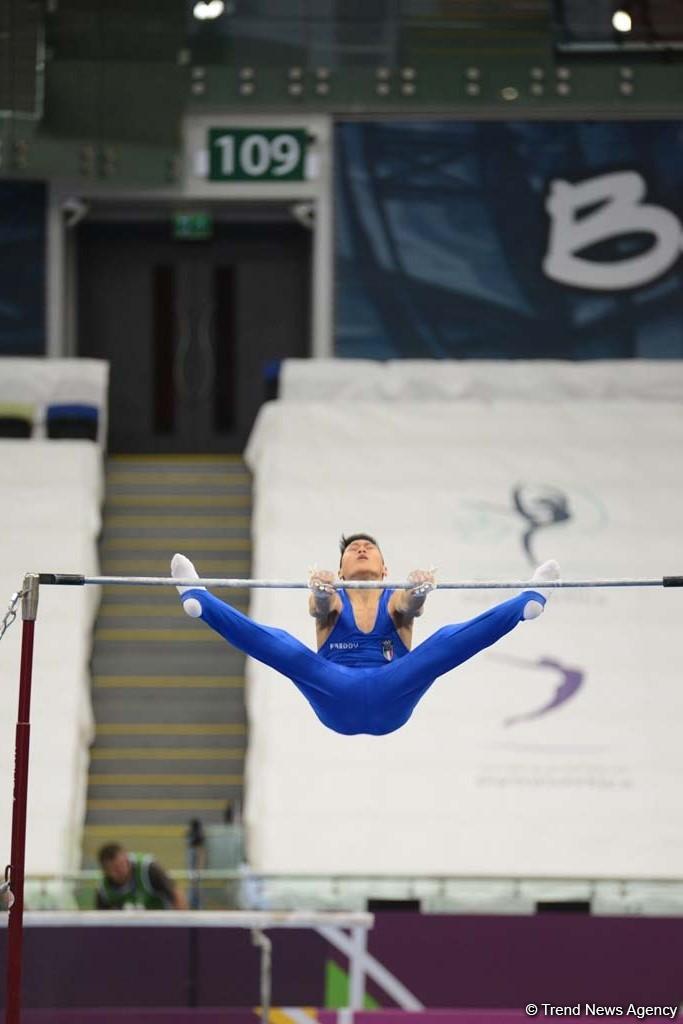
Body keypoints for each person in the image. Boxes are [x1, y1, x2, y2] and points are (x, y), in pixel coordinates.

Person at [171, 537, 559, 737]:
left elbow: (408, 607)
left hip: (394, 694)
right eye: (353, 549)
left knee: (441, 643)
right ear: (339, 568)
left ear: (384, 567)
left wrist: (419, 590)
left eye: (368, 548)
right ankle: (201, 602)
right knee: (284, 647)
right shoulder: (332, 593)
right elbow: (321, 611)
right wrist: (323, 592)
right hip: (334, 694)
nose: (360, 549)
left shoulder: (395, 596)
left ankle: (526, 603)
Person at [96, 843, 188, 910]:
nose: (121, 871)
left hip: (161, 922)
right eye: (115, 869)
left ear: (127, 859)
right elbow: (101, 917)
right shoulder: (104, 889)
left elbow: (176, 894)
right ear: (106, 871)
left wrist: (182, 926)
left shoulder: (148, 869)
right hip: (128, 930)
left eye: (122, 864)